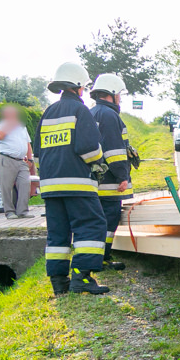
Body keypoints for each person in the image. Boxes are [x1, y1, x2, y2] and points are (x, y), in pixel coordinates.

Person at [34, 62, 109, 295]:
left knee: (58, 233)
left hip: (50, 187)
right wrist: (99, 164)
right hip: (77, 184)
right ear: (78, 87)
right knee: (92, 225)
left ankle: (59, 283)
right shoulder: (80, 111)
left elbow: (37, 153)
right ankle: (82, 278)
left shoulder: (47, 113)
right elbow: (89, 148)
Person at [90, 74, 133, 271]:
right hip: (109, 182)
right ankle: (103, 257)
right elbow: (114, 151)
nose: (120, 100)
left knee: (96, 220)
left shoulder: (91, 113)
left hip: (94, 180)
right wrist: (122, 176)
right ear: (112, 93)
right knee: (108, 220)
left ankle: (98, 257)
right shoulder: (109, 115)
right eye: (119, 95)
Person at [0, 105, 33, 219]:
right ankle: (10, 212)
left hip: (21, 160)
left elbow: (28, 143)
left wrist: (30, 159)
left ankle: (23, 211)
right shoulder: (0, 125)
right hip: (6, 158)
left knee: (25, 184)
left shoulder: (22, 127)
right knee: (7, 186)